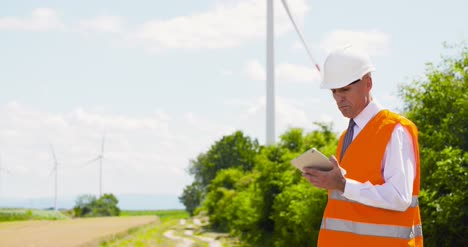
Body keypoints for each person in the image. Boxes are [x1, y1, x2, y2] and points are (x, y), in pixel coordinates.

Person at [302, 45, 423, 246]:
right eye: (334, 92)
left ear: (368, 83)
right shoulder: (346, 137)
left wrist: (343, 184)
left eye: (345, 90)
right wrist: (328, 181)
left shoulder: (394, 130)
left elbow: (400, 197)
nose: (339, 99)